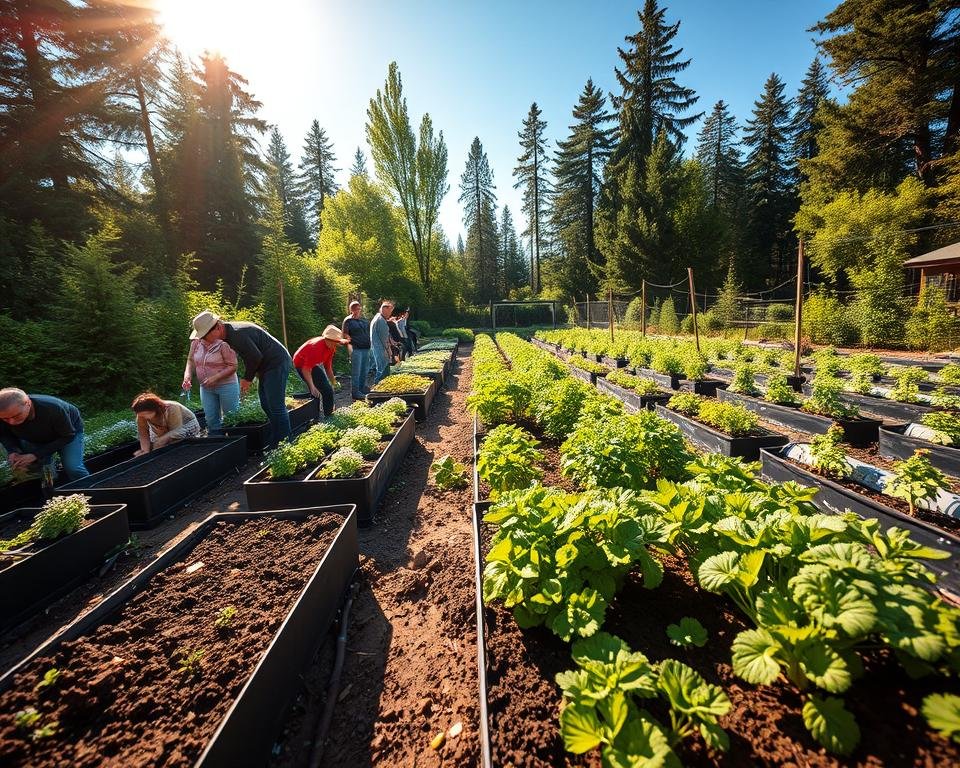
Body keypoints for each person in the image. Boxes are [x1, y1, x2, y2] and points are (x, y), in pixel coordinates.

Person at [190, 311, 293, 449]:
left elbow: (255, 356)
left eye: (206, 336)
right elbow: (250, 355)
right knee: (266, 404)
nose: (205, 340)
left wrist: (247, 379)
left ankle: (285, 444)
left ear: (218, 327)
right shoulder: (228, 335)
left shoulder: (237, 334)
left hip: (276, 363)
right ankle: (276, 440)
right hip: (266, 367)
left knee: (276, 406)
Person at [0, 388, 89, 481]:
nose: (12, 422)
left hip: (67, 434)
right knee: (39, 469)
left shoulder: (52, 408)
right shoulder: (2, 414)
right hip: (33, 437)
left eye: (16, 416)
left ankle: (88, 489)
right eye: (5, 419)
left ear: (28, 403)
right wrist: (13, 450)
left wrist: (35, 454)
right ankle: (51, 487)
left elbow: (68, 436)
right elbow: (4, 434)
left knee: (73, 467)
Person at [182, 331, 240, 434]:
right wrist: (187, 377)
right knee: (210, 418)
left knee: (231, 417)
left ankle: (235, 442)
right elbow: (190, 360)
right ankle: (218, 442)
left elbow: (233, 366)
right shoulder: (195, 343)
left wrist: (215, 378)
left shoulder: (223, 344)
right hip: (205, 387)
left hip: (227, 386)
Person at [292, 326, 347, 417]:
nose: (336, 344)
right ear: (328, 339)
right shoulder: (316, 347)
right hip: (300, 364)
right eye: (335, 342)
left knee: (327, 389)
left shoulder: (331, 348)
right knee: (315, 392)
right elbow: (306, 369)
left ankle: (329, 415)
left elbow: (328, 367)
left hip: (311, 365)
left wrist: (333, 382)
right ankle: (314, 417)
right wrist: (312, 386)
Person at [131, 392, 201, 456]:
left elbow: (176, 430)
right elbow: (143, 433)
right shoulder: (141, 415)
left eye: (146, 414)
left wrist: (163, 440)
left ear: (155, 409)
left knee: (164, 443)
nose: (143, 416)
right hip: (162, 429)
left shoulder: (172, 408)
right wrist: (145, 451)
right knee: (157, 444)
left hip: (184, 425)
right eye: (141, 415)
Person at [341, 300, 372, 400]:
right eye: (355, 308)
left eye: (358, 308)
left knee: (365, 370)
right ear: (351, 309)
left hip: (366, 348)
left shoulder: (363, 320)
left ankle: (362, 388)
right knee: (356, 371)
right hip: (355, 348)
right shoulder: (348, 321)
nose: (357, 310)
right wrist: (348, 341)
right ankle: (355, 392)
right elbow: (345, 334)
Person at [370, 300, 394, 384]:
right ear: (386, 309)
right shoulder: (381, 321)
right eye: (390, 311)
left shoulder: (377, 317)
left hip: (377, 348)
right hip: (381, 350)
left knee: (380, 369)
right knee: (383, 371)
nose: (390, 313)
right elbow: (384, 339)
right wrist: (389, 352)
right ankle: (377, 390)